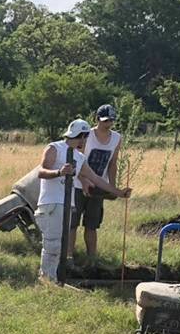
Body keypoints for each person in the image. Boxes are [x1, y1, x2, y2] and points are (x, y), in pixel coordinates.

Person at [35, 118, 131, 282]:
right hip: (51, 203)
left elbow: (96, 179)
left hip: (66, 205)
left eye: (85, 137)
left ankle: (54, 278)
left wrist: (119, 192)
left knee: (60, 245)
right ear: (75, 135)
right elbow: (41, 172)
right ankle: (45, 279)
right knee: (52, 244)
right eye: (82, 137)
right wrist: (59, 172)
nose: (84, 141)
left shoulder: (79, 158)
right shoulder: (54, 148)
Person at [69, 103, 122, 260]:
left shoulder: (117, 138)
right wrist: (84, 180)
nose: (108, 124)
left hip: (98, 187)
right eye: (105, 120)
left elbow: (112, 164)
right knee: (72, 224)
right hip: (78, 186)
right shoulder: (87, 135)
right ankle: (69, 257)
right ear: (97, 119)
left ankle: (92, 258)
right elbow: (75, 160)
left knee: (92, 225)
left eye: (111, 120)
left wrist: (111, 187)